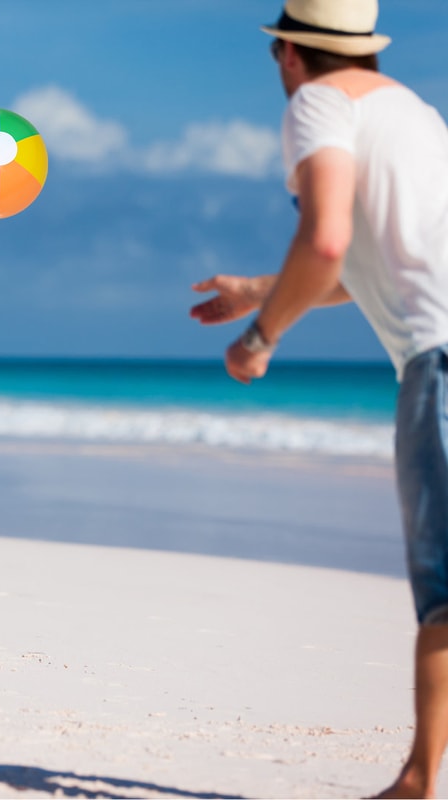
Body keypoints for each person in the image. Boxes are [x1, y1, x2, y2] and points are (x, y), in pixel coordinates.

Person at [189, 1, 448, 797]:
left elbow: (326, 237)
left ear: (291, 55)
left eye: (277, 58)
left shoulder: (318, 104)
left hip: (438, 363)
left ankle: (414, 784)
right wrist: (259, 293)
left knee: (444, 585)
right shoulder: (417, 115)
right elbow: (362, 261)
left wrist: (260, 338)